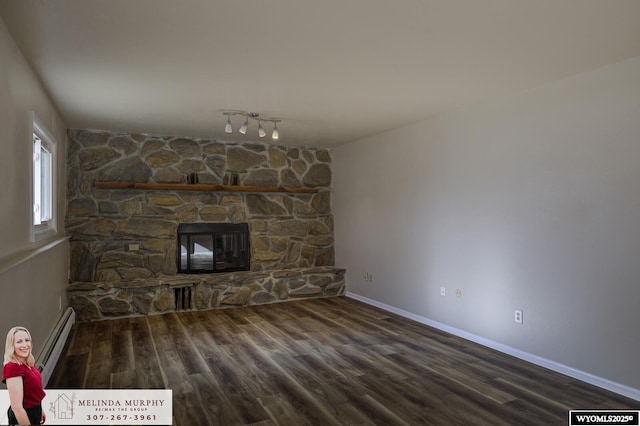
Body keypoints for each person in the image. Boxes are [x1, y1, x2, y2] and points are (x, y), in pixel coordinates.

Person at [3, 327, 46, 425]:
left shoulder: (27, 363)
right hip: (23, 417)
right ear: (12, 345)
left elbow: (31, 393)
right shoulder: (12, 367)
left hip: (34, 412)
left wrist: (40, 410)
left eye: (27, 340)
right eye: (19, 342)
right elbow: (17, 408)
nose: (25, 345)